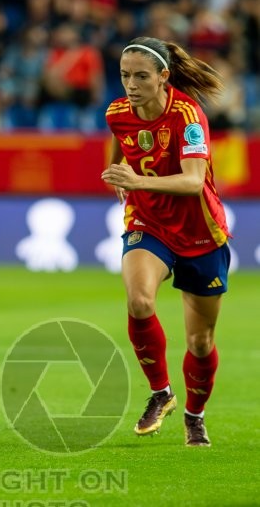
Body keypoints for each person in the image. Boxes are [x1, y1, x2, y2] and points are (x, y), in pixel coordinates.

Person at [100, 36, 230, 447]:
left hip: (200, 232)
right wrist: (118, 172)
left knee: (200, 340)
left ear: (163, 77)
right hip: (149, 222)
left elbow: (193, 182)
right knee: (139, 301)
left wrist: (136, 179)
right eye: (124, 76)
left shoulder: (189, 117)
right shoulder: (117, 112)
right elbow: (121, 146)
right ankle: (161, 393)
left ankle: (195, 415)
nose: (131, 85)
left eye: (141, 76)